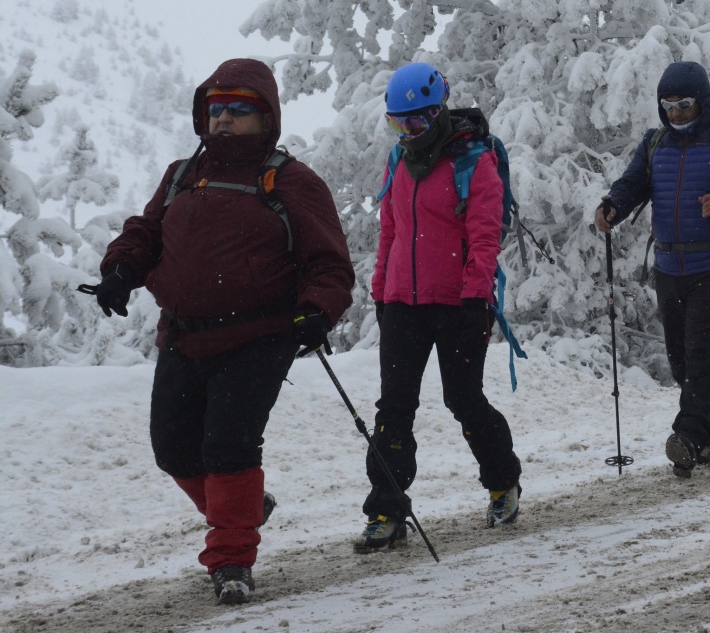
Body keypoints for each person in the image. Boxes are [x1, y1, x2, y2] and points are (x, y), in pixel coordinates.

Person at [95, 59, 354, 604]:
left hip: (259, 336)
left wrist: (317, 311)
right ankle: (240, 509)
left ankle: (231, 559)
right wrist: (121, 269)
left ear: (266, 116)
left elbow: (328, 264)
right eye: (217, 110)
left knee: (229, 447)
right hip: (183, 335)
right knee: (172, 449)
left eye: (239, 110)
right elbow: (146, 232)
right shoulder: (183, 173)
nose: (226, 120)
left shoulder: (291, 180)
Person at [358, 61, 523, 551]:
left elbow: (484, 234)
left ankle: (503, 482)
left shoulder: (474, 160)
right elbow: (390, 229)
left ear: (438, 113)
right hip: (403, 303)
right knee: (394, 407)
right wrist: (381, 287)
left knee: (463, 399)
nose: (406, 133)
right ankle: (385, 510)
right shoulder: (397, 162)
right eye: (397, 123)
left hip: (458, 304)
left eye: (416, 123)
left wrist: (475, 295)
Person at [595, 61, 710, 475]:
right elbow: (632, 184)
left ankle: (688, 436)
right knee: (682, 360)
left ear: (703, 103)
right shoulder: (655, 143)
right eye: (668, 105)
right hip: (668, 265)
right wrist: (612, 206)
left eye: (685, 104)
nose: (675, 113)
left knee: (701, 354)